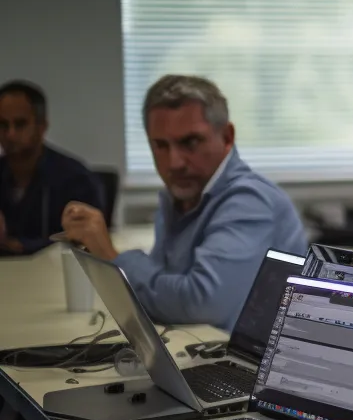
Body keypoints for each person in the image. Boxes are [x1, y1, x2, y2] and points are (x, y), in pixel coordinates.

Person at [58, 75, 306, 330]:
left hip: (256, 367)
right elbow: (164, 285)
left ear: (227, 136)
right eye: (161, 145)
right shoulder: (180, 195)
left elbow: (202, 305)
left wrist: (111, 257)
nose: (174, 162)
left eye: (190, 142)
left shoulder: (250, 201)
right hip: (203, 355)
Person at [0, 80, 102, 256]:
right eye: (2, 125)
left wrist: (19, 245)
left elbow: (86, 242)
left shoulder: (76, 179)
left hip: (56, 278)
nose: (10, 134)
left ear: (42, 127)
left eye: (20, 124)